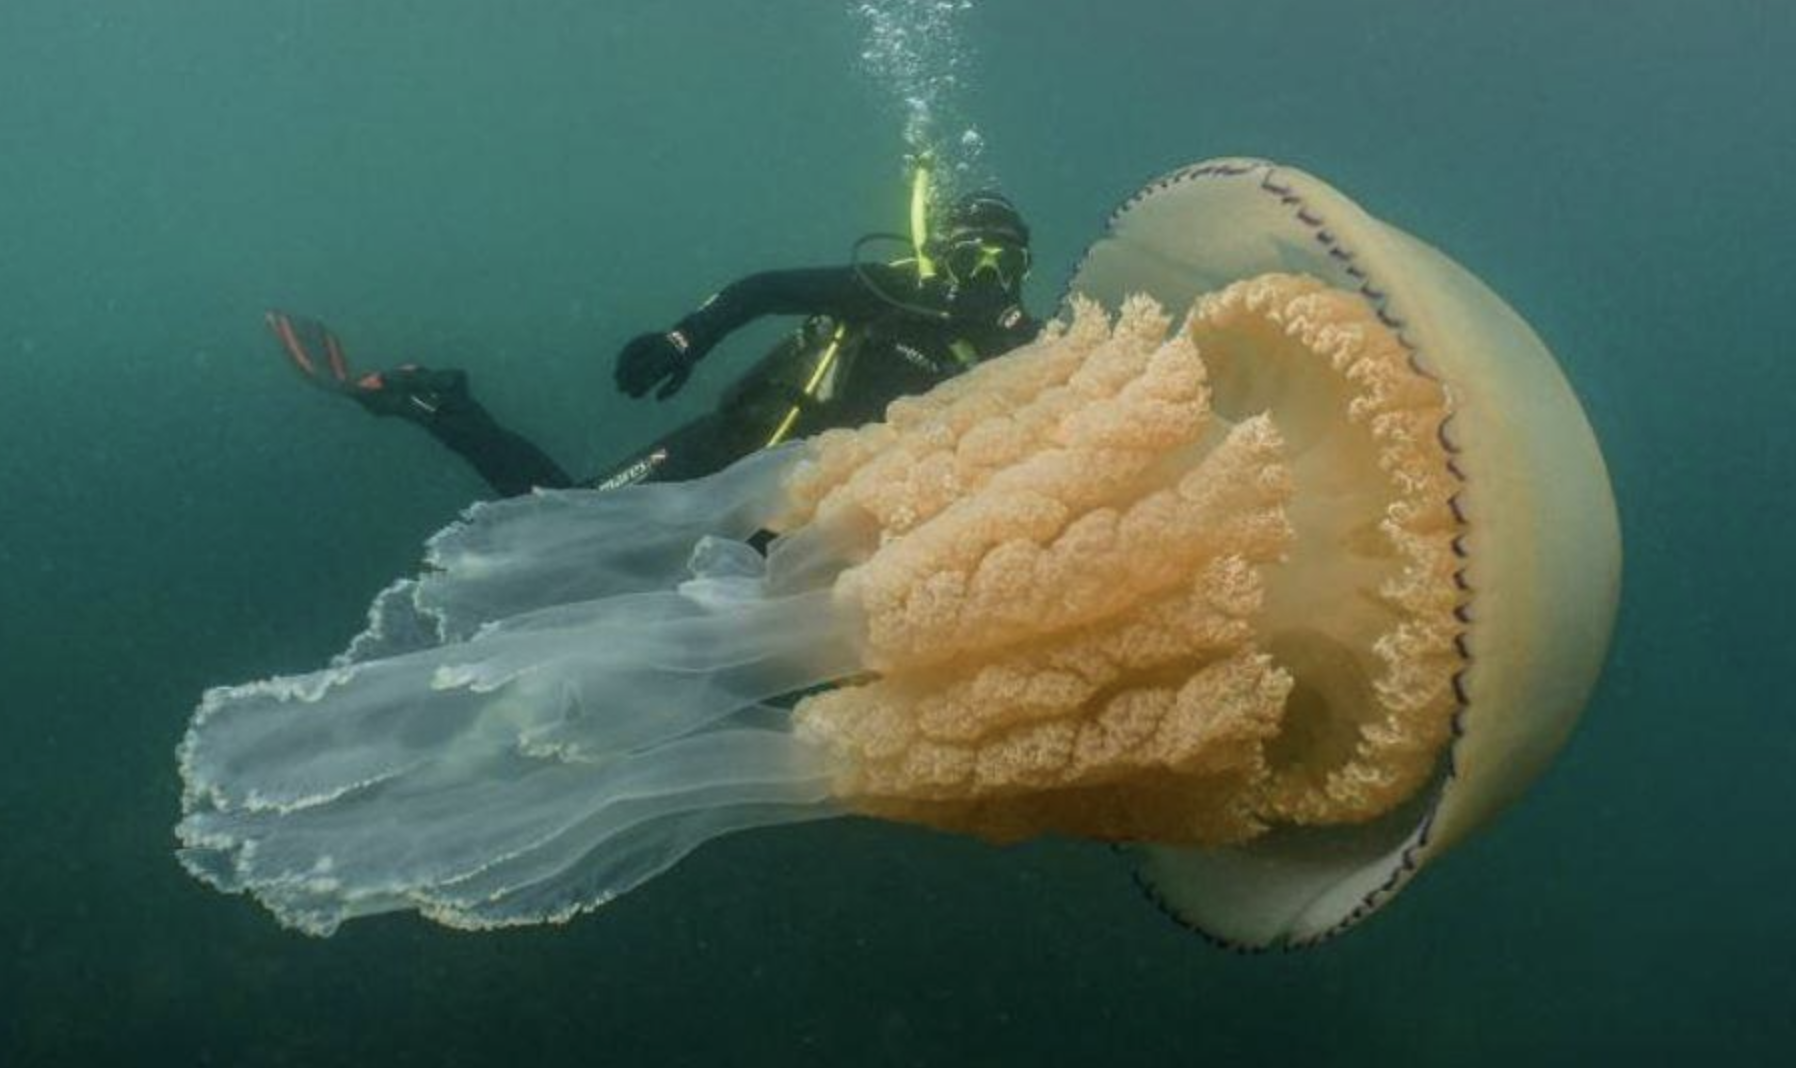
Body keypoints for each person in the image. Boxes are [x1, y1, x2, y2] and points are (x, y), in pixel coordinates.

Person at [271, 182, 1041, 498]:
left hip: (814, 509)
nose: (987, 276)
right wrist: (685, 339)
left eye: (1007, 263)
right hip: (735, 445)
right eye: (974, 255)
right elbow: (766, 288)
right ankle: (437, 402)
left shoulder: (1023, 347)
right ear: (942, 252)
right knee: (566, 520)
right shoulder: (896, 290)